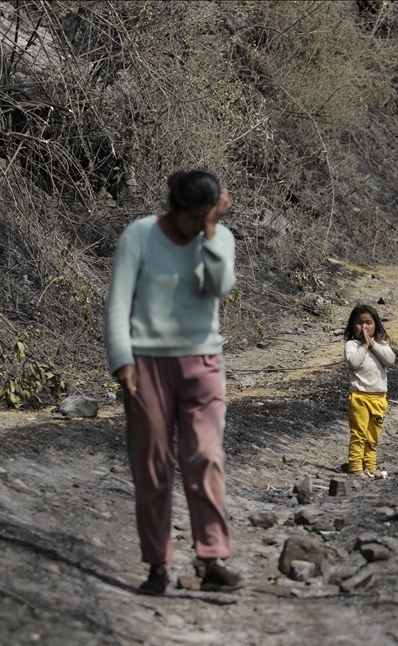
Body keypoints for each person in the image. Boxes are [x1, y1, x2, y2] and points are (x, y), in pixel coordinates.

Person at [105, 170, 242, 595]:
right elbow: (118, 304)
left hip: (203, 363)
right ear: (174, 209)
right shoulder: (140, 236)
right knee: (153, 466)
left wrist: (210, 232)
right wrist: (122, 360)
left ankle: (212, 559)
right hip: (146, 364)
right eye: (193, 219)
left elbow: (219, 285)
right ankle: (157, 566)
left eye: (207, 217)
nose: (198, 226)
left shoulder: (218, 238)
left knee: (206, 457)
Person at [343, 304, 396, 481]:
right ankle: (355, 467)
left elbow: (390, 360)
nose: (364, 327)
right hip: (359, 396)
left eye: (368, 323)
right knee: (359, 433)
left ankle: (370, 466)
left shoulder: (381, 345)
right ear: (352, 325)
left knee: (373, 435)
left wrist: (372, 344)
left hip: (379, 397)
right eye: (359, 323)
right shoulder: (352, 345)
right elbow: (353, 363)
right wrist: (365, 345)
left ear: (376, 325)